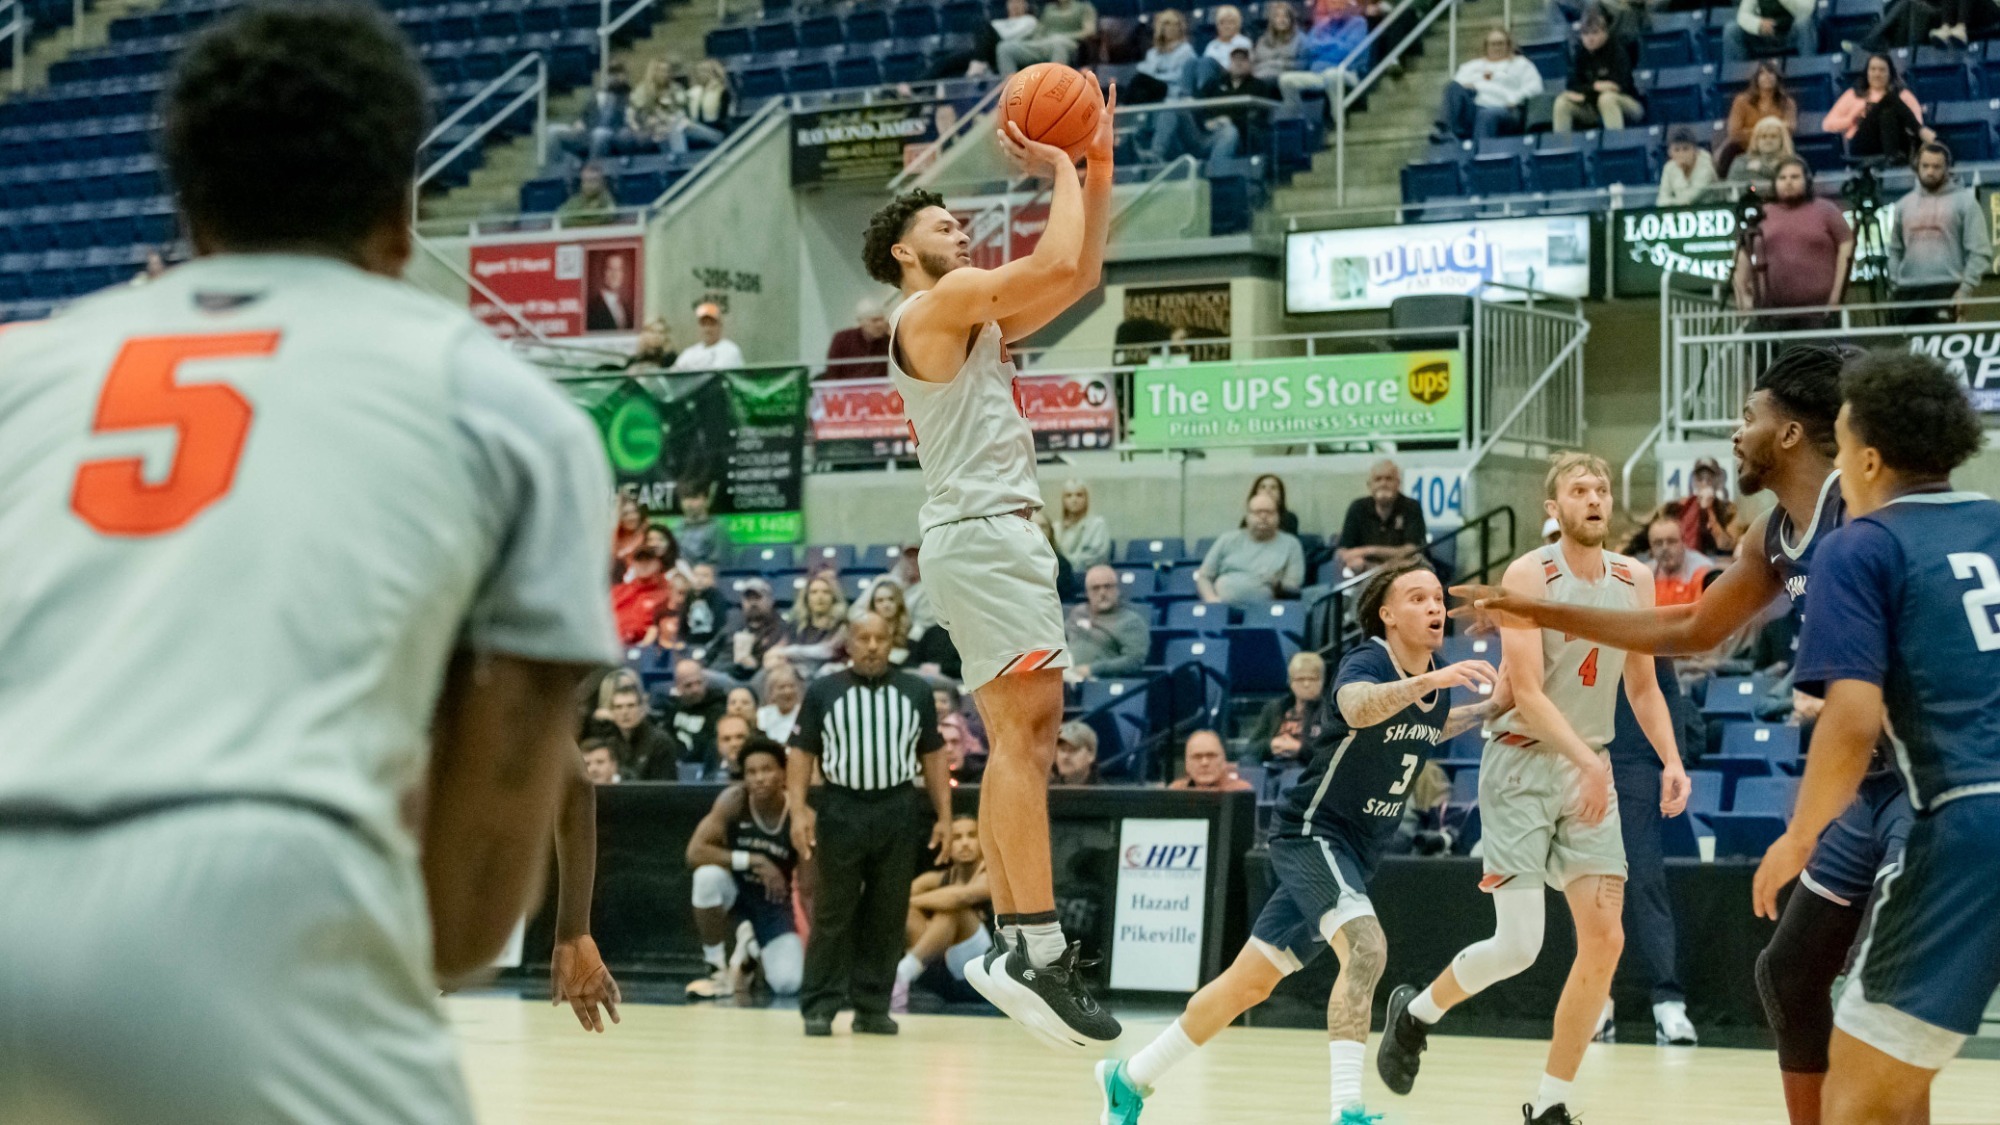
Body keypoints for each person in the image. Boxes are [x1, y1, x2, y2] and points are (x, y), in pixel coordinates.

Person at [0, 6, 623, 1120]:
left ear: (186, 208)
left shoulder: (25, 372)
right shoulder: (500, 409)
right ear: (402, 207)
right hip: (252, 897)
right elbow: (468, 918)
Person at [1446, 346, 1914, 1125]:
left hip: (1930, 772)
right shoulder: (1773, 533)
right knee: (1790, 974)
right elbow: (1691, 627)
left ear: (1792, 434)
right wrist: (1540, 609)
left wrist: (1800, 827)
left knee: (1887, 993)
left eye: (1747, 418)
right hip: (1868, 782)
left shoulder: (1863, 511)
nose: (1735, 435)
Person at [860, 64, 1120, 1047]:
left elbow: (1081, 274)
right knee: (1025, 739)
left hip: (984, 534)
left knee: (1024, 738)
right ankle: (1036, 949)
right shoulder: (932, 306)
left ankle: (1020, 941)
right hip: (982, 530)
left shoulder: (965, 314)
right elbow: (1053, 264)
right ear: (900, 252)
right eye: (939, 227)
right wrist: (1062, 159)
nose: (957, 233)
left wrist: (1095, 159)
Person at [1101, 564, 1499, 1125]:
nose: (1435, 606)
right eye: (1418, 597)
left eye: (1437, 597)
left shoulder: (1432, 678)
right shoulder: (1370, 661)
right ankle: (1347, 1111)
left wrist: (1492, 707)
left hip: (1357, 853)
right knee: (1367, 949)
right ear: (1387, 614)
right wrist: (1431, 683)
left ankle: (1128, 1077)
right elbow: (1360, 708)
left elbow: (1428, 726)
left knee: (1246, 986)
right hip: (1315, 833)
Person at [1377, 453, 1689, 1125]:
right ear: (1555, 508)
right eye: (1579, 489)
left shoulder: (1635, 579)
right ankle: (1418, 1011)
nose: (1595, 497)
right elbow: (1533, 695)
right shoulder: (1529, 575)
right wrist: (1586, 762)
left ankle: (1550, 1103)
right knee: (1519, 945)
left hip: (1590, 766)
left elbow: (1642, 684)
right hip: (1524, 765)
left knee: (1605, 941)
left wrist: (1670, 756)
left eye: (1602, 488)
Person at [1750, 352, 2000, 1125]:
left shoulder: (1859, 547)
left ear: (1864, 455)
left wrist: (1798, 836)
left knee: (1856, 1107)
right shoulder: (1992, 518)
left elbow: (1852, 720)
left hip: (1962, 822)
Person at [786, 613, 954, 1037]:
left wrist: (945, 817)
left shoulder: (916, 690)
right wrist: (799, 809)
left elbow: (933, 755)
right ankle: (819, 1006)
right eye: (864, 638)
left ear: (891, 640)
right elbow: (802, 752)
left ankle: (873, 1006)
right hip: (841, 807)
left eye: (880, 638)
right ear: (849, 642)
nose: (873, 645)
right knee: (833, 910)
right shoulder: (824, 690)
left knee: (888, 910)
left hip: (898, 806)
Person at [1607, 656, 1700, 1046]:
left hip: (1633, 763)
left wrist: (1671, 761)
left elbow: (1666, 690)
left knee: (1645, 878)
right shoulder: (1562, 606)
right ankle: (1596, 1001)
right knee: (1589, 885)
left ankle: (1668, 1001)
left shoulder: (1638, 607)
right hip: (1575, 757)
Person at [685, 741, 804, 999]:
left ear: (783, 774)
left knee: (788, 984)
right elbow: (695, 852)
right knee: (706, 877)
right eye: (751, 772)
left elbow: (810, 888)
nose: (759, 778)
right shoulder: (734, 801)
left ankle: (751, 949)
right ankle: (716, 967)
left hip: (773, 906)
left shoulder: (799, 814)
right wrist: (753, 860)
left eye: (766, 770)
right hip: (736, 893)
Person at [1734, 157, 1854, 331]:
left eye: (1794, 177)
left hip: (1820, 314)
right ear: (1774, 183)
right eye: (1782, 178)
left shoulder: (1826, 210)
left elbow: (1847, 243)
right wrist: (1742, 295)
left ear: (1807, 180)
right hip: (1770, 316)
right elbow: (1742, 251)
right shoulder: (1760, 214)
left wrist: (1836, 297)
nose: (1788, 182)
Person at [894, 815, 995, 1011]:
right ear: (946, 842)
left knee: (953, 911)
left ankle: (901, 974)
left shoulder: (992, 874)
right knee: (907, 910)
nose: (965, 843)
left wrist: (915, 901)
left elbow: (960, 898)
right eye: (957, 837)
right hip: (941, 966)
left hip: (983, 968)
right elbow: (895, 902)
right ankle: (904, 977)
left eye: (971, 836)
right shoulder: (935, 879)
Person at [1889, 142, 1993, 326]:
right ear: (1917, 167)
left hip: (1948, 288)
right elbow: (1895, 251)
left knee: (1943, 352)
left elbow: (1980, 251)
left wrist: (1965, 289)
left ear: (1947, 168)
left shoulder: (1966, 203)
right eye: (1925, 166)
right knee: (1905, 353)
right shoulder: (1903, 205)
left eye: (1936, 167)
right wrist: (1896, 282)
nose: (1930, 172)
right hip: (1907, 291)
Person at [1434, 26, 1543, 141]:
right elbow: (1458, 90)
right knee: (1453, 87)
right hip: (1473, 108)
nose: (1496, 47)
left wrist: (1515, 98)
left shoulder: (1521, 64)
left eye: (1500, 43)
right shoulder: (1470, 66)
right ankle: (1447, 133)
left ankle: (1481, 156)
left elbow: (1535, 87)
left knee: (1486, 115)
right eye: (1493, 44)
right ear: (1486, 46)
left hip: (1504, 109)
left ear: (1508, 45)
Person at [1823, 53, 1932, 165]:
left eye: (1882, 70)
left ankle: (1891, 159)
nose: (1877, 74)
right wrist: (1851, 119)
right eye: (1873, 69)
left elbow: (1916, 120)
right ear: (1867, 72)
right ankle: (1919, 132)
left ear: (1890, 73)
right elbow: (1827, 124)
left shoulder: (1904, 95)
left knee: (1888, 112)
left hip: (1898, 142)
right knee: (1890, 99)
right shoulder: (1853, 94)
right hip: (1864, 144)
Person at [1199, 493, 1306, 605]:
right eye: (1257, 512)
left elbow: (1294, 587)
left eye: (1269, 512)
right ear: (1247, 517)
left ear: (1278, 517)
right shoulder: (1227, 540)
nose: (1263, 517)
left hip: (1267, 613)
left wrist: (1277, 585)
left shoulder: (1291, 544)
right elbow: (1204, 577)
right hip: (1221, 611)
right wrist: (1211, 600)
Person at [1553, 11, 1642, 135]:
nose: (1590, 38)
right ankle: (1562, 150)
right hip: (1592, 106)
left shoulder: (1617, 50)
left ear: (1605, 33)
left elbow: (1620, 85)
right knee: (1562, 102)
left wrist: (1586, 92)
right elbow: (1572, 85)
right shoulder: (1580, 53)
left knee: (1606, 98)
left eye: (1595, 33)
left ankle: (1617, 146)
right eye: (1585, 34)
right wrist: (1595, 87)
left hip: (1629, 104)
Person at [1338, 459, 1428, 575]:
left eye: (1389, 479)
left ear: (1398, 484)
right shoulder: (1357, 508)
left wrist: (1368, 551)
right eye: (1378, 479)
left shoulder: (1411, 507)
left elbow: (1411, 550)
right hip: (1366, 572)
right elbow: (1344, 550)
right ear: (1369, 485)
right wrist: (1354, 560)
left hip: (1403, 570)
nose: (1383, 484)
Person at [1066, 564, 1153, 681]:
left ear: (1117, 590)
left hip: (1100, 682)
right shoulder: (1078, 612)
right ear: (1087, 593)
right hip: (1066, 677)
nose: (1102, 593)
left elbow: (1134, 661)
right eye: (1095, 588)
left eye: (1107, 587)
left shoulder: (1131, 621)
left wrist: (1092, 669)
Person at [1195, 47, 1278, 165]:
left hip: (1240, 138)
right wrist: (1207, 122)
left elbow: (1257, 118)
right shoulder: (1214, 83)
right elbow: (1198, 106)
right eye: (1235, 60)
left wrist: (1230, 120)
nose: (1238, 63)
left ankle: (1216, 175)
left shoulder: (1259, 86)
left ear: (1250, 64)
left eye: (1243, 60)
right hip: (1207, 133)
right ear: (1229, 63)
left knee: (1230, 132)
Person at [1243, 651, 1325, 766]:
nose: (1306, 684)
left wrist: (1300, 749)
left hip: (1307, 770)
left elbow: (1332, 753)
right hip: (1273, 767)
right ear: (1291, 682)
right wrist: (1271, 745)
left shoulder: (1330, 712)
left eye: (1313, 679)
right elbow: (1251, 748)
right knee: (1247, 761)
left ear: (1321, 681)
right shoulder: (1275, 708)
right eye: (1300, 679)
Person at [1720, 62, 1797, 174]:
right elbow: (1735, 133)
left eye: (1771, 72)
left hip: (1776, 149)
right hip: (1745, 149)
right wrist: (1768, 130)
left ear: (1777, 77)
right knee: (1730, 151)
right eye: (1762, 73)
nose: (1767, 76)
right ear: (1756, 79)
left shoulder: (1788, 103)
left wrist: (1749, 131)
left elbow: (1789, 128)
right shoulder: (1741, 101)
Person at [712, 577, 793, 681]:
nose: (753, 603)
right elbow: (710, 652)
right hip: (717, 672)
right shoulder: (732, 625)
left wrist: (755, 666)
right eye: (748, 599)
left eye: (758, 598)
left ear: (770, 601)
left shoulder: (781, 629)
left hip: (753, 680)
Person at [551, 62, 632, 161]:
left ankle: (592, 171)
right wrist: (580, 123)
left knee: (599, 134)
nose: (613, 77)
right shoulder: (597, 96)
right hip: (589, 132)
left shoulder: (626, 95)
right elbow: (585, 116)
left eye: (616, 73)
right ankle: (555, 172)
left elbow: (628, 117)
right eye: (610, 74)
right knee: (553, 131)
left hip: (615, 132)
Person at [658, 658, 729, 769]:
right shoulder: (673, 707)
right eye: (688, 685)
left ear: (705, 681)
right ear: (678, 687)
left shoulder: (718, 708)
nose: (695, 689)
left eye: (699, 683)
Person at [602, 682, 683, 779]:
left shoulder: (661, 743)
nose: (624, 712)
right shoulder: (610, 743)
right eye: (619, 707)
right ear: (612, 712)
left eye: (631, 706)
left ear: (642, 709)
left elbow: (664, 788)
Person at [773, 571, 849, 673]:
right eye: (814, 592)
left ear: (834, 597)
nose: (819, 597)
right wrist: (773, 655)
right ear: (806, 598)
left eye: (826, 592)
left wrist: (791, 651)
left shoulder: (843, 626)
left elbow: (827, 651)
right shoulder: (796, 625)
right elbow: (776, 650)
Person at [996, 0, 1098, 73]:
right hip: (1043, 43)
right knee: (1005, 47)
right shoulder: (1049, 9)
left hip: (1067, 44)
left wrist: (1062, 36)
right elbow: (1040, 29)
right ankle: (1011, 90)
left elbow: (1089, 31)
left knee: (1058, 43)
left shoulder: (1084, 7)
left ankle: (1050, 87)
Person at [611, 547, 674, 644]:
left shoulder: (669, 592)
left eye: (648, 560)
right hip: (614, 645)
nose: (643, 565)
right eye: (639, 560)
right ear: (633, 564)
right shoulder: (618, 591)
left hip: (649, 647)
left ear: (658, 563)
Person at [1647, 515, 1712, 608]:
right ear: (1651, 547)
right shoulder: (1645, 573)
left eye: (1671, 541)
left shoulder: (1702, 571)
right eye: (1658, 543)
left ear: (1684, 541)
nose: (1665, 548)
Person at [1722, 0, 1817, 62]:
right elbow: (1742, 15)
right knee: (1731, 29)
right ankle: (1736, 79)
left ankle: (1809, 70)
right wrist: (1758, 25)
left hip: (1791, 33)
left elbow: (1806, 11)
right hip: (1764, 34)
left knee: (1805, 23)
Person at [1680, 457, 1738, 558]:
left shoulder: (1728, 509)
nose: (1704, 482)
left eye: (1709, 478)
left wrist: (1709, 510)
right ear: (1694, 481)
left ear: (1718, 481)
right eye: (1700, 478)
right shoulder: (1684, 505)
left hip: (1718, 560)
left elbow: (1727, 545)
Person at [823, 297, 891, 379]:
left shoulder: (889, 341)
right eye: (875, 320)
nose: (880, 324)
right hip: (846, 389)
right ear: (861, 322)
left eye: (882, 320)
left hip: (879, 390)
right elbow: (832, 372)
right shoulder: (842, 339)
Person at [1726, 115, 1795, 197]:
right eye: (1763, 136)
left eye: (1773, 136)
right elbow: (1733, 187)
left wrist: (1761, 169)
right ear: (1756, 140)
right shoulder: (1741, 162)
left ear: (1782, 140)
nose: (1768, 140)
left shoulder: (1793, 162)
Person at [1168, 730, 1256, 791]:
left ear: (1224, 761)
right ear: (1187, 764)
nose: (1204, 762)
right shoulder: (1175, 791)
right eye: (1197, 757)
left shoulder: (1241, 791)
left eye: (1211, 756)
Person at [669, 302, 745, 371]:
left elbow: (714, 378)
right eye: (703, 324)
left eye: (712, 324)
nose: (707, 329)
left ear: (720, 326)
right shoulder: (690, 353)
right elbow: (673, 374)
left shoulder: (730, 350)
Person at [1054, 478, 1111, 571]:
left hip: (1089, 575)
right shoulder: (1056, 528)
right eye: (1068, 495)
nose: (1074, 499)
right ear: (1063, 500)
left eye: (1079, 495)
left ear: (1086, 498)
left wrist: (1066, 563)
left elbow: (1098, 557)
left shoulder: (1098, 525)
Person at [1658, 125, 1721, 207]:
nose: (1681, 154)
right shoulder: (1669, 168)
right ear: (1670, 152)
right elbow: (1661, 200)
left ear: (1695, 150)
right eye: (1676, 150)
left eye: (1685, 149)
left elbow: (1688, 200)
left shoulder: (1706, 168)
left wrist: (1670, 202)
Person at [674, 482, 730, 567]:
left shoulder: (716, 530)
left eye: (694, 498)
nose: (689, 503)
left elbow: (721, 565)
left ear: (707, 501)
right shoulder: (676, 529)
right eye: (685, 498)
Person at [756, 660, 806, 744]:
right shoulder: (762, 715)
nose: (788, 691)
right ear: (771, 693)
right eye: (781, 687)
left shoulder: (804, 714)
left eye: (791, 686)